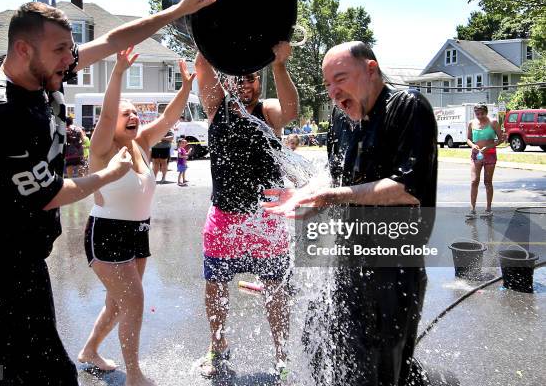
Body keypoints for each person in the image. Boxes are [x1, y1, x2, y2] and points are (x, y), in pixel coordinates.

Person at [0, 0, 214, 386]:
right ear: (23, 49)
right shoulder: (3, 113)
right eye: (60, 49)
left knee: (27, 373)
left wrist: (177, 11)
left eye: (70, 48)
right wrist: (110, 174)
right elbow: (52, 195)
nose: (70, 58)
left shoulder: (35, 71)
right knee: (48, 375)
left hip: (23, 258)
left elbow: (113, 39)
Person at [263, 41, 438, 386]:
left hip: (393, 269)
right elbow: (333, 177)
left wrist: (330, 196)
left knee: (382, 368)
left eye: (340, 78)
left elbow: (408, 189)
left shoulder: (408, 108)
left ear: (370, 69)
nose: (333, 92)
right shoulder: (342, 121)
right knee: (320, 350)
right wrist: (304, 195)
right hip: (345, 261)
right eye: (327, 84)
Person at [78, 48, 195, 385]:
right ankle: (134, 375)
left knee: (118, 303)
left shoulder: (141, 143)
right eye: (124, 113)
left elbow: (169, 119)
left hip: (138, 231)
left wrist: (186, 88)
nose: (133, 117)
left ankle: (89, 352)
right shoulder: (102, 148)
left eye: (134, 112)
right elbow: (103, 119)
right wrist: (116, 73)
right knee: (134, 302)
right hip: (106, 232)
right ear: (110, 119)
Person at [194, 41, 298, 381]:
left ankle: (282, 356)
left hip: (265, 219)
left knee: (275, 290)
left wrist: (279, 65)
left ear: (258, 81)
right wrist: (208, 29)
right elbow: (202, 64)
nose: (245, 84)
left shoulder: (267, 111)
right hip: (224, 217)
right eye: (238, 78)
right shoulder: (215, 106)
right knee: (215, 288)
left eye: (251, 78)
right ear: (227, 81)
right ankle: (218, 348)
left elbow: (292, 111)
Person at [466, 103, 503, 218]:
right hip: (476, 155)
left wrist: (490, 146)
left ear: (486, 112)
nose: (480, 116)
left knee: (488, 182)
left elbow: (501, 139)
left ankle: (488, 209)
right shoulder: (471, 123)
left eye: (482, 113)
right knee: (474, 181)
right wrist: (472, 145)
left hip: (490, 154)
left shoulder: (493, 122)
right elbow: (468, 139)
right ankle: (472, 209)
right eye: (477, 114)